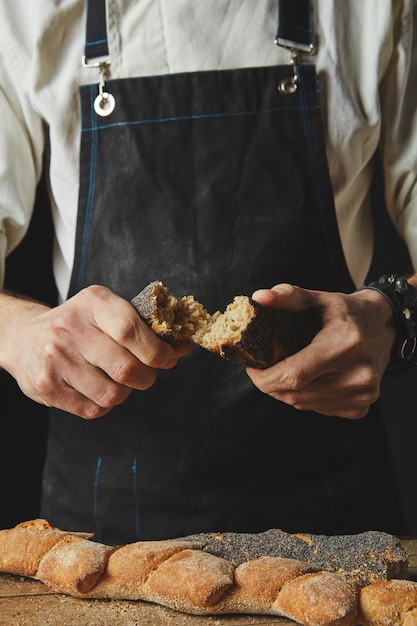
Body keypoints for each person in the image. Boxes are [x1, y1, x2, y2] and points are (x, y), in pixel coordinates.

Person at [0, 0, 416, 546]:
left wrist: (392, 319)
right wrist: (18, 332)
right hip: (104, 535)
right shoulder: (27, 13)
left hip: (333, 522)